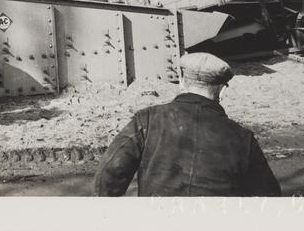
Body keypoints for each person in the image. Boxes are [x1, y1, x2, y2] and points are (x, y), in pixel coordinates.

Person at [94, 52, 281, 196]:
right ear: (222, 91)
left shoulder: (148, 120)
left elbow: (109, 174)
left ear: (182, 83)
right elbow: (268, 197)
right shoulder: (242, 138)